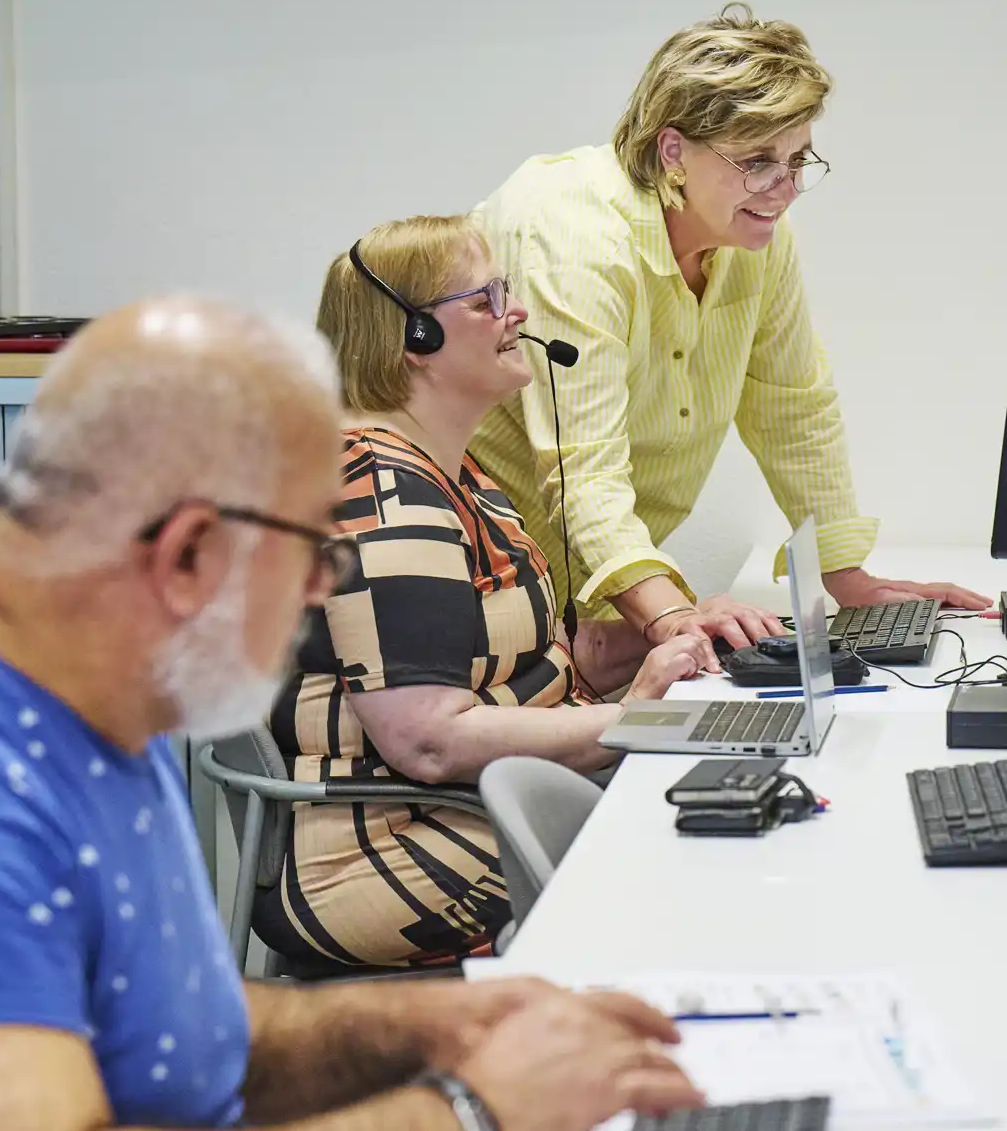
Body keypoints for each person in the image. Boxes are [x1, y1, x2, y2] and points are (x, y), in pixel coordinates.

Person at [0, 297, 703, 1131]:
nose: (318, 591)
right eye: (314, 554)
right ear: (187, 554)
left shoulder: (91, 704)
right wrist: (471, 1108)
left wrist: (432, 1029)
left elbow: (172, 1032)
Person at [470, 2, 993, 671]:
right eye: (756, 161)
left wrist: (847, 576)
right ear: (673, 151)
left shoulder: (752, 237)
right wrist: (675, 617)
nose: (784, 189)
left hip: (591, 598)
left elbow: (794, 407)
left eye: (798, 159)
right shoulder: (574, 240)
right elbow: (582, 470)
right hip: (479, 590)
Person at [263, 216, 710, 972]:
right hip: (384, 859)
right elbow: (430, 740)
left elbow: (536, 659)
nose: (517, 314)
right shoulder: (382, 494)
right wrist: (636, 718)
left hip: (458, 813)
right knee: (692, 858)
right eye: (487, 298)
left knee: (712, 824)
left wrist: (685, 630)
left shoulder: (451, 475)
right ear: (416, 339)